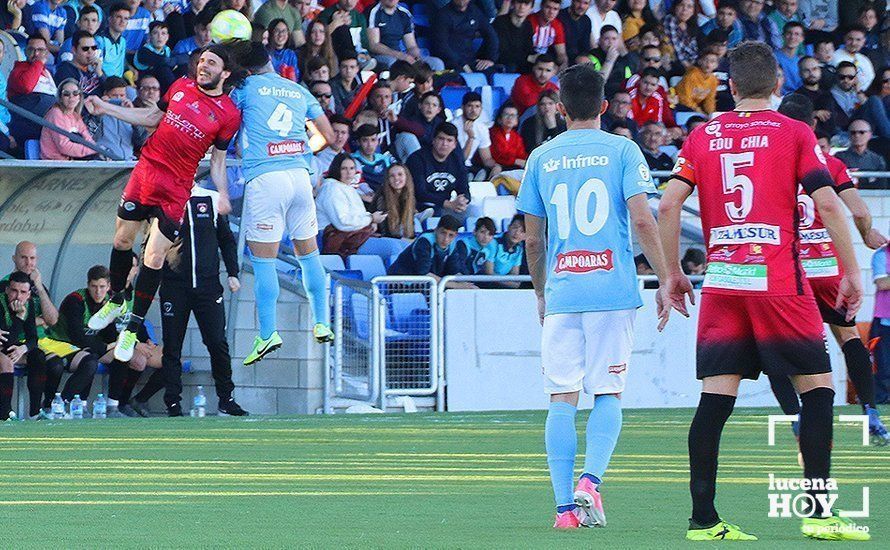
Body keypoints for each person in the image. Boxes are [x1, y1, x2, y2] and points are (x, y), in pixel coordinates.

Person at [658, 41, 868, 541]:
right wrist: (852, 272)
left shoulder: (703, 134)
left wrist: (672, 274)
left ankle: (703, 521)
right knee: (818, 390)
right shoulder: (794, 132)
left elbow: (667, 208)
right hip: (779, 281)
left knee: (714, 401)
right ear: (778, 85)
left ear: (729, 87)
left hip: (724, 283)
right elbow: (834, 207)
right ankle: (820, 514)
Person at [516, 62, 668, 530]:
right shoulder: (623, 149)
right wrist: (666, 278)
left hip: (563, 290)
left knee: (561, 398)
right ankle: (590, 482)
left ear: (560, 110)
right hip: (612, 291)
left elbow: (533, 240)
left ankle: (564, 511)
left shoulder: (541, 157)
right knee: (608, 391)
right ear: (604, 106)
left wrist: (542, 293)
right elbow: (644, 221)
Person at [82, 45, 242, 363]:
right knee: (122, 240)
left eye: (211, 63)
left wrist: (222, 193)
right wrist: (106, 107)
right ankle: (116, 300)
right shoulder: (180, 86)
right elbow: (154, 116)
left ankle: (131, 328)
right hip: (147, 172)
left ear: (224, 73)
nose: (203, 66)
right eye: (202, 60)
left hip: (176, 187)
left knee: (154, 256)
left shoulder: (228, 114)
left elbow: (219, 162)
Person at [766, 94, 889, 446]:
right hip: (829, 269)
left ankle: (796, 416)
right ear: (813, 124)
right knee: (849, 338)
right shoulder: (830, 164)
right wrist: (866, 235)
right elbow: (861, 212)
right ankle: (871, 415)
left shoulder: (772, 163)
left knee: (777, 345)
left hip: (789, 270)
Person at [229, 45, 336, 366]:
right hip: (299, 176)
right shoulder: (298, 89)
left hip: (266, 177)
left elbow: (224, 123)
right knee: (309, 255)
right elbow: (328, 136)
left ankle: (267, 333)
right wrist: (301, 147)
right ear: (270, 61)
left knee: (264, 262)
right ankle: (322, 322)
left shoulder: (245, 88)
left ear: (246, 70)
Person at [128, 188, 247, 417]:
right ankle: (173, 404)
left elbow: (226, 239)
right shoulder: (161, 201)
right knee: (172, 347)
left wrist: (233, 272)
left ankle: (226, 399)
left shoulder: (209, 199)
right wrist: (147, 285)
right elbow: (149, 246)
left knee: (217, 342)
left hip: (208, 286)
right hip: (174, 287)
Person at [0, 272, 50, 420]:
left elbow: (33, 338)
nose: (18, 296)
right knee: (6, 362)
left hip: (9, 347)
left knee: (38, 356)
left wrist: (24, 348)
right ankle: (5, 412)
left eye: (23, 292)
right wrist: (20, 318)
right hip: (4, 346)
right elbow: (7, 339)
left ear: (28, 294)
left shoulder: (28, 305)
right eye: (14, 291)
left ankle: (35, 411)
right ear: (7, 290)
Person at [317, 153, 386, 257]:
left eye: (352, 168)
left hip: (354, 238)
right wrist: (371, 219)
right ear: (336, 170)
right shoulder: (331, 189)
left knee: (400, 246)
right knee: (394, 248)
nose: (349, 173)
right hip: (337, 240)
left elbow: (357, 216)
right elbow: (343, 222)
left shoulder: (348, 188)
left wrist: (371, 221)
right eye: (344, 168)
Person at [405, 122, 470, 222]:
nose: (445, 144)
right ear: (433, 140)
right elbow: (420, 193)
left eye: (449, 140)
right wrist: (448, 204)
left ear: (454, 145)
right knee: (438, 214)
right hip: (420, 206)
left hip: (446, 207)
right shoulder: (417, 159)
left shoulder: (457, 160)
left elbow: (464, 188)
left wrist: (462, 201)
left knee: (472, 215)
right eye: (441, 138)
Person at [8, 36, 57, 146]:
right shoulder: (18, 70)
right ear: (25, 52)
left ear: (46, 52)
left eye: (40, 50)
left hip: (47, 124)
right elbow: (26, 86)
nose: (36, 54)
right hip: (29, 125)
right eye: (31, 50)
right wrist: (39, 63)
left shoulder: (47, 72)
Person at [367, 0, 443, 70]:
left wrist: (417, 57)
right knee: (392, 62)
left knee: (436, 63)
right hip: (378, 56)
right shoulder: (374, 11)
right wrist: (400, 56)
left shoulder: (404, 13)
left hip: (399, 56)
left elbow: (411, 46)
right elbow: (374, 45)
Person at [431, 0, 499, 73]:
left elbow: (491, 35)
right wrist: (462, 64)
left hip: (471, 60)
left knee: (496, 70)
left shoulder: (474, 11)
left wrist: (490, 59)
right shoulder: (443, 15)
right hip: (450, 63)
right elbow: (441, 46)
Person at [387, 215, 466, 279]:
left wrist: (464, 283)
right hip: (400, 282)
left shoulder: (452, 244)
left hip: (423, 286)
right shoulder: (424, 241)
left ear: (455, 235)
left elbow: (453, 271)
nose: (446, 239)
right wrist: (454, 285)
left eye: (451, 235)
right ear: (436, 230)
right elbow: (424, 274)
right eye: (443, 233)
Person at [40, 79, 99, 161]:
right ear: (60, 98)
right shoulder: (55, 113)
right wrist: (93, 150)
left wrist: (95, 149)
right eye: (66, 94)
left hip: (72, 162)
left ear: (79, 97)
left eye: (75, 93)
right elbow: (64, 146)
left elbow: (88, 139)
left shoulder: (75, 115)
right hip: (55, 164)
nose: (71, 97)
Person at [92, 77, 148, 160]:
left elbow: (141, 142)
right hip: (106, 162)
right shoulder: (97, 113)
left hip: (128, 161)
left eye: (122, 95)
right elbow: (92, 138)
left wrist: (133, 116)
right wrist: (101, 113)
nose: (118, 99)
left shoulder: (130, 112)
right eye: (114, 95)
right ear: (105, 94)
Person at [453, 91, 500, 178]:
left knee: (486, 172)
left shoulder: (482, 128)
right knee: (469, 175)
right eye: (470, 106)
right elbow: (461, 159)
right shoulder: (453, 126)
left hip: (470, 167)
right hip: (454, 166)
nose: (473, 110)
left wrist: (496, 166)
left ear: (481, 109)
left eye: (477, 106)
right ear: (463, 107)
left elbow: (486, 159)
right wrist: (471, 138)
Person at [317, 0, 372, 68]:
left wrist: (365, 53)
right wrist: (335, 23)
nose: (349, 2)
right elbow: (317, 37)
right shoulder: (326, 14)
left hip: (359, 56)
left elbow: (364, 43)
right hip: (336, 56)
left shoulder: (359, 17)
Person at [371, 163, 418, 240]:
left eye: (400, 174)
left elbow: (410, 229)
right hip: (385, 240)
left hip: (402, 239)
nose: (396, 178)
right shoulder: (382, 197)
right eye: (392, 176)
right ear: (388, 180)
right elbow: (384, 231)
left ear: (406, 177)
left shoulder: (410, 197)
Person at [836, 119, 887, 189]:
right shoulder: (839, 157)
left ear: (870, 134)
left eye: (862, 132)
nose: (857, 135)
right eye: (853, 132)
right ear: (848, 134)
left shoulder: (877, 159)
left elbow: (882, 185)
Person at [870, 245, 890, 404]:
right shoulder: (882, 255)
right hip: (885, 322)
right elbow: (882, 282)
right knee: (884, 367)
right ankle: (882, 403)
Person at [133, 21, 176, 93]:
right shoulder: (144, 51)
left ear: (167, 37)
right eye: (155, 33)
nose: (160, 37)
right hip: (146, 86)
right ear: (149, 36)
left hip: (162, 85)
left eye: (163, 33)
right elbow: (162, 61)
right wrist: (173, 61)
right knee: (164, 69)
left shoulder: (167, 50)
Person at [493, 0, 534, 74]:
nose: (522, 7)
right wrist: (527, 58)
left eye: (526, 3)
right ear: (512, 4)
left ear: (531, 8)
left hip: (520, 63)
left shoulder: (528, 25)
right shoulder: (500, 22)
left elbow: (529, 49)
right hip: (501, 64)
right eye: (519, 2)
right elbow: (502, 52)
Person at [520, 89, 567, 153]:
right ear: (538, 106)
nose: (546, 107)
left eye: (550, 103)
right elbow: (529, 148)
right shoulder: (529, 123)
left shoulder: (563, 123)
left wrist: (552, 128)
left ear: (557, 106)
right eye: (542, 104)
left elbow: (561, 148)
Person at [831, 25, 874, 93]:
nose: (853, 43)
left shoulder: (865, 59)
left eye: (858, 40)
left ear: (864, 41)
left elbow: (871, 79)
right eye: (850, 39)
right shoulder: (835, 56)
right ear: (844, 39)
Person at [352, 123, 394, 191]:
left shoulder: (385, 159)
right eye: (365, 140)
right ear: (358, 142)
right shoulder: (352, 160)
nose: (370, 145)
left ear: (378, 141)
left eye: (373, 140)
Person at [529, 0, 568, 69]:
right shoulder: (529, 22)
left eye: (555, 9)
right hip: (527, 60)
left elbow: (561, 53)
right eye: (548, 7)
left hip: (545, 63)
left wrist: (562, 63)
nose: (551, 12)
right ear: (541, 6)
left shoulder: (557, 25)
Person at [489, 102, 527, 170]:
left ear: (516, 121)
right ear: (499, 119)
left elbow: (522, 156)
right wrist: (515, 161)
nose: (510, 118)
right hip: (495, 167)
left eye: (513, 115)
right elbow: (497, 156)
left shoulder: (517, 137)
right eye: (506, 115)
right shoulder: (492, 133)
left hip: (513, 168)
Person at [663, 0, 698, 68]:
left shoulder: (690, 24)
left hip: (690, 63)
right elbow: (676, 47)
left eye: (689, 6)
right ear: (675, 7)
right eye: (681, 5)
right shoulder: (670, 19)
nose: (684, 9)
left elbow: (693, 49)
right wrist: (688, 66)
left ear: (693, 11)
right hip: (674, 62)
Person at [99, 3, 129, 78]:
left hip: (120, 83)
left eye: (126, 18)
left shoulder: (123, 41)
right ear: (110, 19)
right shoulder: (100, 40)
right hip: (103, 84)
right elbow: (95, 69)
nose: (122, 21)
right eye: (119, 17)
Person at [559, 0, 594, 65]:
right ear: (572, 1)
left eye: (585, 3)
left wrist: (582, 58)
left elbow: (585, 48)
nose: (581, 6)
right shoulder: (560, 17)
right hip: (559, 58)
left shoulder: (587, 20)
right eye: (578, 1)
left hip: (578, 60)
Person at [774, 21, 804, 94]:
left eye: (796, 34)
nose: (792, 37)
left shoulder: (801, 61)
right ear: (783, 36)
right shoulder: (773, 57)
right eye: (789, 33)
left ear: (802, 38)